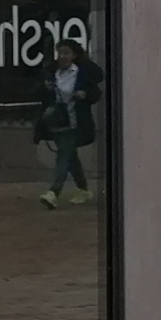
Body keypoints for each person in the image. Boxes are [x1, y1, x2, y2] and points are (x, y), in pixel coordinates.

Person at [34, 38, 103, 208]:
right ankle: (83, 189)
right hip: (56, 122)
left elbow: (95, 92)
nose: (62, 57)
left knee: (64, 155)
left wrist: (84, 94)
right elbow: (39, 94)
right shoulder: (51, 74)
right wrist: (45, 88)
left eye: (66, 53)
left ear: (74, 55)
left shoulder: (82, 73)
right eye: (60, 53)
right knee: (70, 156)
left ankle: (53, 192)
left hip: (75, 122)